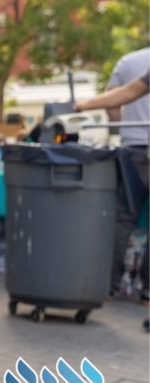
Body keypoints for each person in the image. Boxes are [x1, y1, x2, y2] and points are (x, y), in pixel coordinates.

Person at [77, 65, 150, 302]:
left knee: (124, 218)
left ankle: (109, 285)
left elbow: (125, 94)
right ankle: (147, 292)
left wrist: (84, 104)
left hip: (134, 148)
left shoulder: (128, 61)